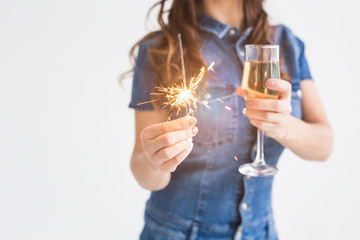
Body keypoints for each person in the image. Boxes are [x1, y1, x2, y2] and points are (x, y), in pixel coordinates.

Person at [126, 0, 333, 239]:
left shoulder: (286, 44)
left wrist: (282, 126)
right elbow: (142, 169)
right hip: (178, 233)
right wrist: (156, 162)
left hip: (261, 232)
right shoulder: (160, 49)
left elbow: (324, 146)